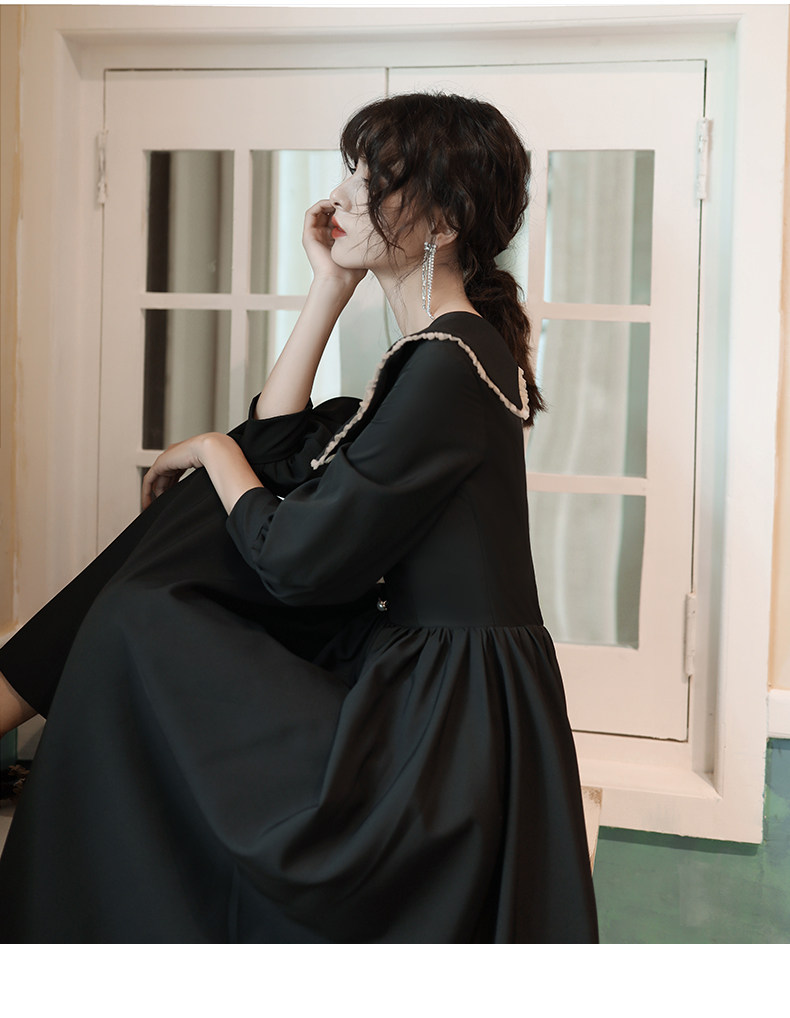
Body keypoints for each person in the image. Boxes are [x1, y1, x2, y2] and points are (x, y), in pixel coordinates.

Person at [0, 92, 598, 943]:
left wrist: (211, 449)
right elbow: (277, 448)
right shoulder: (450, 351)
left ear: (445, 219)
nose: (343, 195)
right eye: (350, 172)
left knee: (140, 613)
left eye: (373, 180)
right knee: (208, 525)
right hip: (442, 685)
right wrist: (330, 286)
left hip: (441, 721)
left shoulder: (447, 364)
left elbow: (292, 557)